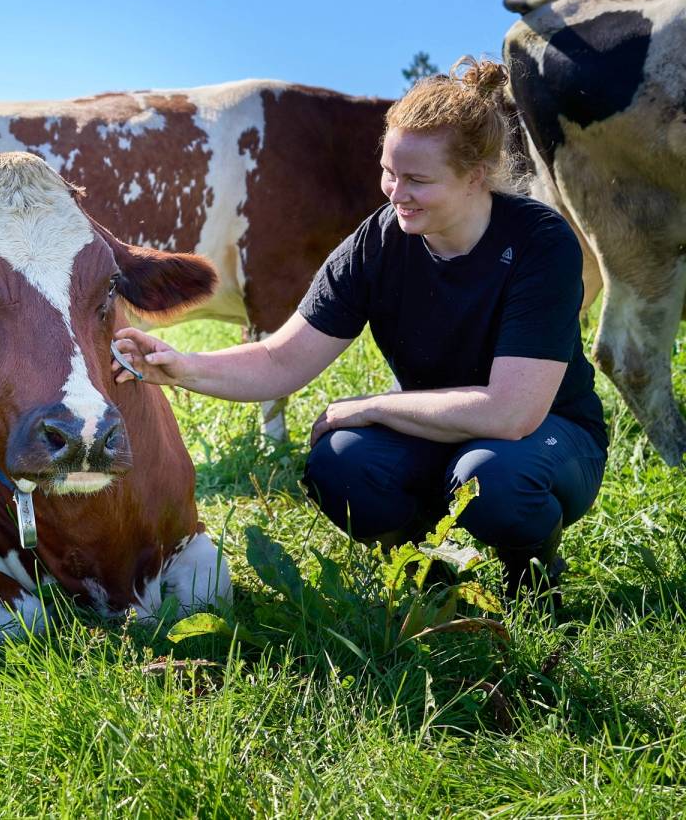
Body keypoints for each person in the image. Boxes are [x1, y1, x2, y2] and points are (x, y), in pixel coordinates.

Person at [113, 57, 608, 601]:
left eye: (418, 180)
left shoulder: (539, 242)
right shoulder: (379, 244)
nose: (395, 193)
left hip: (545, 436)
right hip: (436, 430)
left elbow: (511, 413)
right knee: (341, 463)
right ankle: (426, 576)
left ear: (476, 176)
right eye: (390, 172)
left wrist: (372, 407)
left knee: (492, 476)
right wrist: (179, 366)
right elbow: (281, 359)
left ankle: (531, 582)